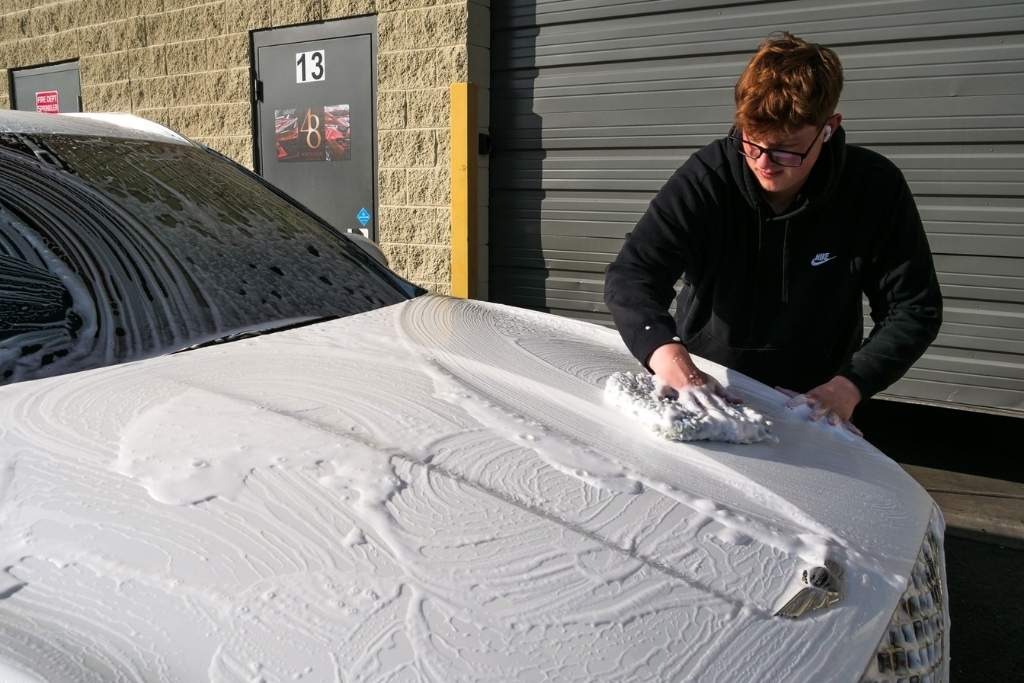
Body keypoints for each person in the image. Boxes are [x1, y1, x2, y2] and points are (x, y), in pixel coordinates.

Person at [603, 32, 942, 435]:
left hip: (815, 401)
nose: (765, 163)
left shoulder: (873, 188)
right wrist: (671, 360)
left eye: (787, 149)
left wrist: (850, 386)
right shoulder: (709, 177)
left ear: (829, 128)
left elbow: (914, 307)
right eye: (752, 142)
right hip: (709, 385)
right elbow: (633, 274)